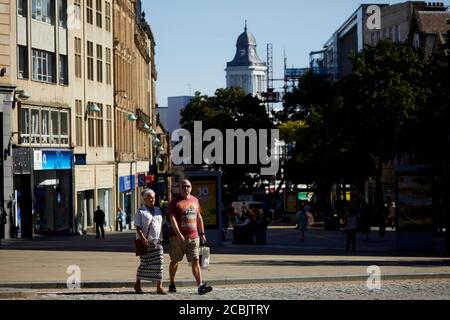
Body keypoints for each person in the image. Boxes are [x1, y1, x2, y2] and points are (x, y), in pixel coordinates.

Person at [168, 179, 213, 295]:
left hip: (193, 236)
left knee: (195, 260)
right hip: (177, 238)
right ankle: (172, 283)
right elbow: (172, 219)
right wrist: (179, 234)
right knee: (175, 261)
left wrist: (202, 233)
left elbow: (199, 218)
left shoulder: (195, 200)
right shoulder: (174, 202)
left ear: (191, 188)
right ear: (180, 188)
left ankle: (200, 285)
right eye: (183, 186)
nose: (186, 188)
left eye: (188, 186)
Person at [133, 189, 166, 295]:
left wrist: (162, 237)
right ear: (145, 199)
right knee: (144, 264)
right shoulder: (141, 211)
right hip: (145, 242)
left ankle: (159, 287)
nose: (153, 199)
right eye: (150, 197)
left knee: (160, 263)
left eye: (154, 197)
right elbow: (137, 226)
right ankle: (137, 283)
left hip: (157, 241)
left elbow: (160, 224)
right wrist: (143, 238)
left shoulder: (157, 210)